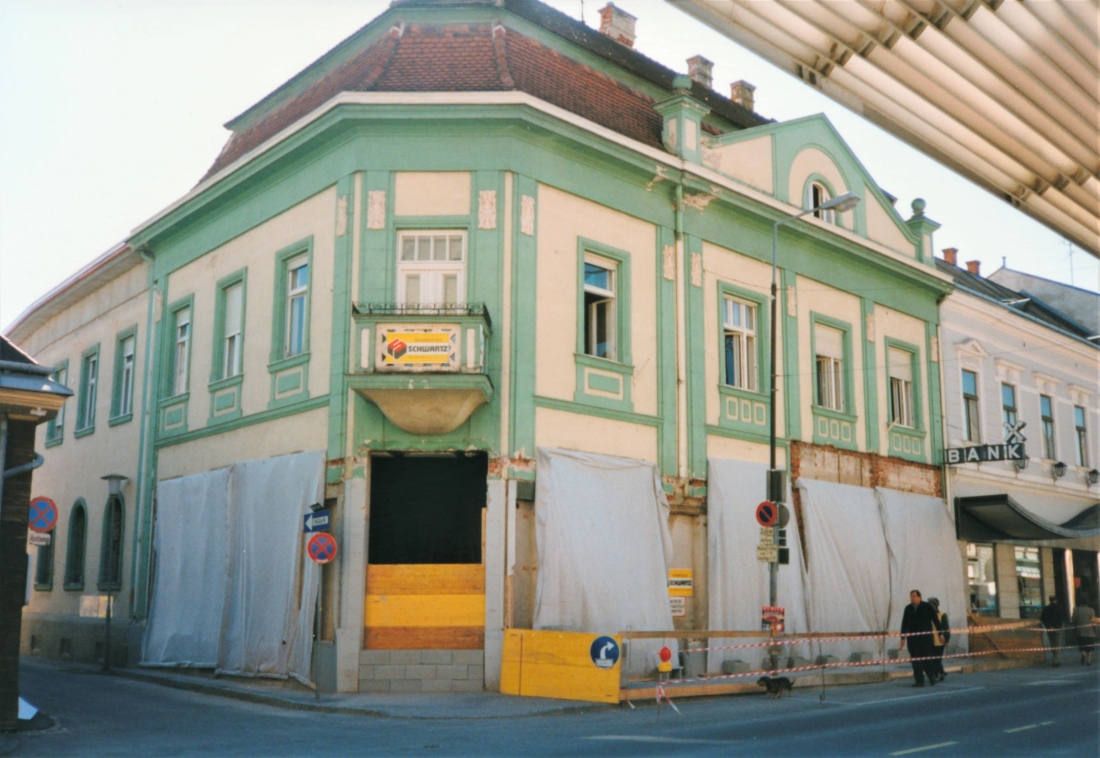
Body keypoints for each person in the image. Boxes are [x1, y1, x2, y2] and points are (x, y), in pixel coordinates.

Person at [900, 589, 943, 687]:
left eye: (914, 596)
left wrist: (941, 634)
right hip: (913, 640)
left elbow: (936, 621)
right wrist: (903, 638)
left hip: (925, 639)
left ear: (920, 597)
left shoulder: (927, 607)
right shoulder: (908, 608)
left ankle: (931, 678)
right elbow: (904, 623)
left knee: (926, 660)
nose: (912, 598)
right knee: (915, 661)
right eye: (911, 596)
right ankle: (919, 681)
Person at [1039, 595, 1066, 667]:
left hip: (1049, 629)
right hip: (1057, 628)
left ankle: (1054, 659)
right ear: (1056, 600)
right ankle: (1055, 661)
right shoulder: (1059, 608)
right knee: (1057, 644)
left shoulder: (1046, 608)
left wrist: (1049, 626)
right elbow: (1062, 618)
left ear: (1049, 600)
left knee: (1052, 644)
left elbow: (1042, 618)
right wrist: (1058, 625)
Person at [928, 597, 950, 682]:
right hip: (930, 641)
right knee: (933, 659)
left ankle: (936, 675)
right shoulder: (928, 614)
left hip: (939, 641)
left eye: (931, 605)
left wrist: (947, 639)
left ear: (936, 606)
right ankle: (941, 672)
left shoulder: (942, 614)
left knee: (937, 660)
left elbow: (946, 628)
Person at [1070, 595, 1096, 666]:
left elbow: (1073, 620)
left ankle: (1083, 653)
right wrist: (1095, 630)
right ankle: (1088, 660)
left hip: (1080, 631)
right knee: (1090, 647)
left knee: (1082, 645)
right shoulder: (1091, 610)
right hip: (1089, 631)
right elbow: (1093, 621)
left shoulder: (1076, 610)